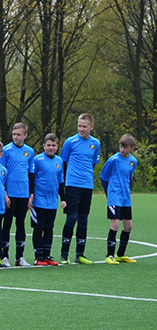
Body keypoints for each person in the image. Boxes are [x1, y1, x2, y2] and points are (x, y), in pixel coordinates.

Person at [59, 113, 100, 265]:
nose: (81, 129)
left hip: (87, 186)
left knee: (83, 219)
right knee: (71, 218)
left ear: (91, 127)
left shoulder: (95, 143)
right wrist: (64, 185)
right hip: (72, 186)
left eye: (84, 126)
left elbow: (93, 163)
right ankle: (64, 254)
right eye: (79, 126)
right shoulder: (70, 142)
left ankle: (80, 254)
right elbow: (62, 163)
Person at [99, 133, 138, 264]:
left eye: (125, 147)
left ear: (131, 148)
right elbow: (103, 177)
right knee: (115, 224)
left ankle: (120, 254)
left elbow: (129, 178)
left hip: (126, 197)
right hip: (114, 196)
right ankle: (109, 255)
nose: (122, 149)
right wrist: (108, 194)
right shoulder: (113, 160)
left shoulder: (133, 161)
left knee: (128, 226)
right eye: (121, 147)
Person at [29, 133, 66, 265]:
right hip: (39, 201)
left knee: (49, 228)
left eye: (53, 145)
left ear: (57, 146)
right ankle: (38, 257)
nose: (51, 147)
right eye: (48, 145)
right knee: (39, 228)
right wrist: (31, 195)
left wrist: (63, 198)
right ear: (43, 145)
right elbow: (31, 178)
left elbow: (60, 181)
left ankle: (47, 255)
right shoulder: (37, 160)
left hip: (52, 202)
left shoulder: (59, 161)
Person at [1, 123, 34, 267]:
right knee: (7, 224)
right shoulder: (6, 150)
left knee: (20, 224)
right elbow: (1, 173)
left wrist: (31, 195)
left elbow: (31, 174)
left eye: (18, 134)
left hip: (23, 194)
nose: (15, 137)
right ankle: (4, 256)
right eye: (14, 134)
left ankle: (19, 257)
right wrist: (5, 193)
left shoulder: (30, 152)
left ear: (25, 135)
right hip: (10, 194)